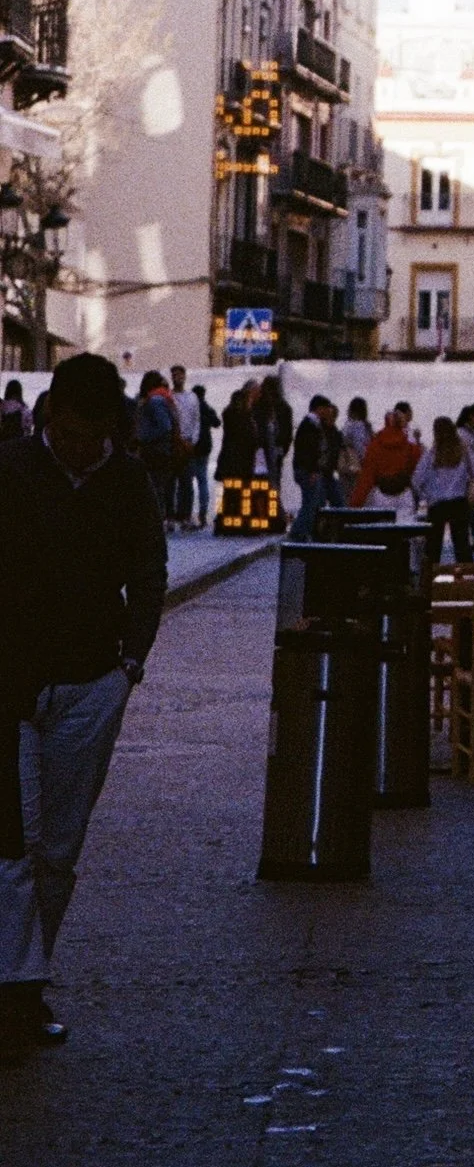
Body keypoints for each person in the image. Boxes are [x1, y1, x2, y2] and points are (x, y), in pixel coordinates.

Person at [0, 350, 167, 1055]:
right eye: (68, 433)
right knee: (13, 843)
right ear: (49, 418)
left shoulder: (127, 481)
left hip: (94, 681)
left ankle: (28, 988)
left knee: (59, 850)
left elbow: (151, 570)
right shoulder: (8, 470)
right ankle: (11, 995)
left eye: (93, 436)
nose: (79, 449)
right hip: (9, 684)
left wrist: (131, 661)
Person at [415, 418, 474, 567]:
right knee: (462, 547)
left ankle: (429, 582)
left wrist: (425, 495)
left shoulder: (431, 455)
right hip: (459, 502)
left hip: (437, 504)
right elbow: (473, 475)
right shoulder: (463, 452)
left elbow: (417, 479)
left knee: (433, 548)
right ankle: (468, 579)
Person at [131, 373, 185, 524]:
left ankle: (157, 521)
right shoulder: (165, 398)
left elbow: (164, 426)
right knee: (163, 486)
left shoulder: (155, 401)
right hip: (164, 451)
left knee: (155, 487)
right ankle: (165, 518)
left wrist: (142, 437)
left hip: (155, 451)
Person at [287, 396, 342, 542]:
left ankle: (306, 532)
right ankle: (298, 533)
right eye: (326, 408)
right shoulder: (310, 425)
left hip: (310, 470)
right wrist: (312, 470)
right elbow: (308, 450)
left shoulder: (313, 425)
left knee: (313, 503)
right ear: (320, 409)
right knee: (310, 504)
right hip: (308, 471)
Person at [350, 408, 420, 513]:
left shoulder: (375, 445)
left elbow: (367, 477)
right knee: (406, 527)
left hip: (382, 494)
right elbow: (418, 473)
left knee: (381, 527)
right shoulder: (410, 447)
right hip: (404, 493)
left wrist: (355, 504)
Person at [249, 374, 293, 530]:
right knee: (274, 484)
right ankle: (274, 516)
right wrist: (283, 448)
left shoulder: (259, 407)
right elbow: (287, 432)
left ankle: (264, 515)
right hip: (275, 450)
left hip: (262, 451)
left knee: (261, 485)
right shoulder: (284, 407)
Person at [212, 383, 258, 531]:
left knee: (227, 492)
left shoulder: (229, 415)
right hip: (242, 460)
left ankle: (223, 521)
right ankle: (242, 522)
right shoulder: (244, 418)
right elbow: (250, 438)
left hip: (228, 459)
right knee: (243, 491)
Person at [167, 367, 203, 531]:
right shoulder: (169, 397)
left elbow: (197, 421)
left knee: (187, 482)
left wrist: (192, 441)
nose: (178, 378)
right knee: (170, 482)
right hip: (173, 443)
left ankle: (185, 516)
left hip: (188, 443)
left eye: (180, 375)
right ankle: (170, 516)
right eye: (175, 375)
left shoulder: (192, 397)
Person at [188, 380, 219, 530]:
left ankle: (188, 513)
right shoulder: (206, 407)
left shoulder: (190, 407)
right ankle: (203, 513)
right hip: (205, 447)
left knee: (187, 482)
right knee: (202, 481)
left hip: (191, 447)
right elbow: (217, 422)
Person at [337, 395, 372, 495]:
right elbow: (360, 446)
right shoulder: (359, 425)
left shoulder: (346, 425)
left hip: (345, 465)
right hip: (356, 466)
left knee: (345, 495)